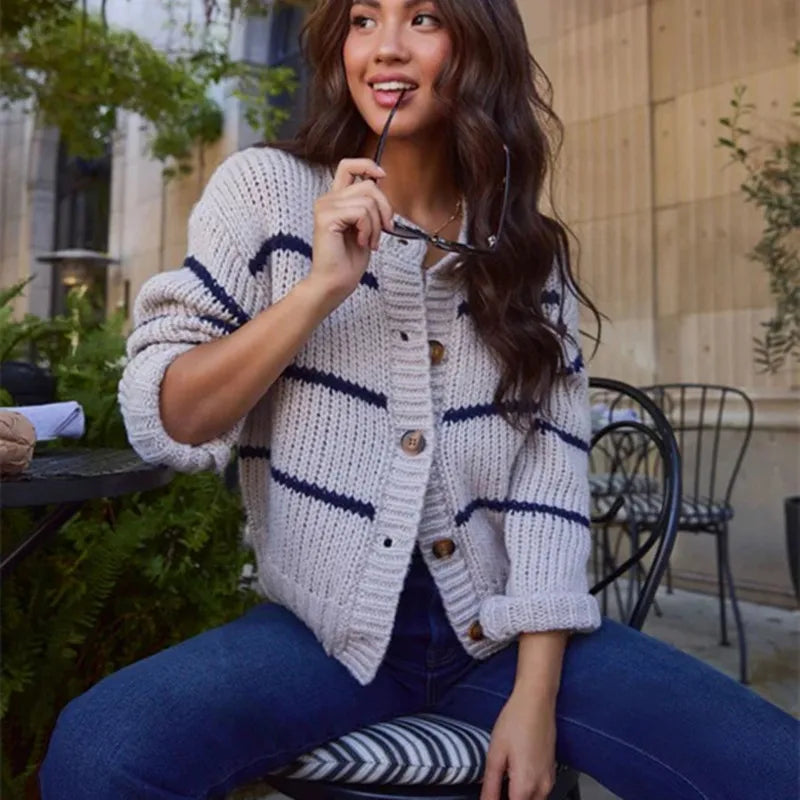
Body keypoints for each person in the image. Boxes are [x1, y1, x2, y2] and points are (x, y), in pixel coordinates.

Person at [39, 1, 799, 799]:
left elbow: (548, 487)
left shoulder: (525, 252)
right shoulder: (263, 193)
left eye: (424, 18)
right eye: (363, 19)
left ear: (477, 45)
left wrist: (532, 700)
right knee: (102, 750)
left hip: (506, 640)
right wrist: (318, 290)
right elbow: (170, 420)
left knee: (772, 767)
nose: (387, 49)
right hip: (323, 639)